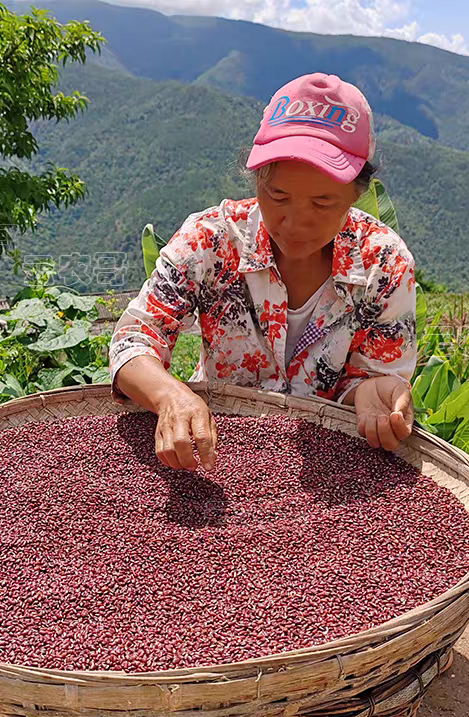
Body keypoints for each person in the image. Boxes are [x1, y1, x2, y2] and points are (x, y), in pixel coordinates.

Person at [109, 73, 417, 473]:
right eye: (278, 196)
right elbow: (134, 340)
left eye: (323, 203)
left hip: (324, 468)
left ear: (358, 192)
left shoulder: (384, 264)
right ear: (257, 179)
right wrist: (171, 395)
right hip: (213, 449)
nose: (296, 222)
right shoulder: (212, 242)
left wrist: (370, 391)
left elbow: (368, 382)